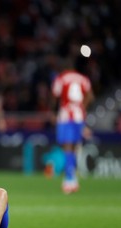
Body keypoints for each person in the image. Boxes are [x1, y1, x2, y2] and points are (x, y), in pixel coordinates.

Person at [51, 59, 94, 194]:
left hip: (66, 115)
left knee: (67, 145)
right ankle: (72, 176)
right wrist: (82, 107)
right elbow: (90, 96)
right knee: (75, 146)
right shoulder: (83, 78)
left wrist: (53, 112)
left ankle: (70, 179)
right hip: (79, 115)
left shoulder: (61, 78)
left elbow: (55, 96)